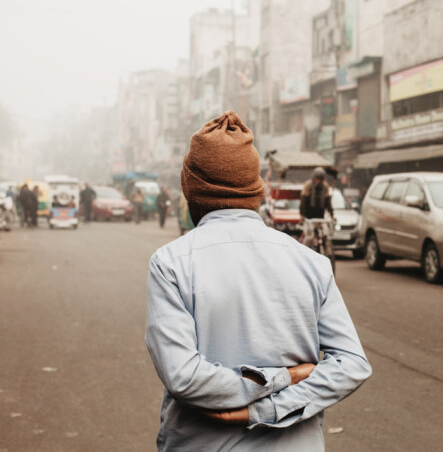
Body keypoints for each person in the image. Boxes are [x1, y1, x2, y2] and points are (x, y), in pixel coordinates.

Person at [145, 111, 370, 451]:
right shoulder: (312, 263)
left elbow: (185, 377)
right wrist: (285, 381)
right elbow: (351, 364)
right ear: (256, 189)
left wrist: (255, 407)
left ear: (191, 187)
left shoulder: (172, 264)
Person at [300, 167, 335, 248]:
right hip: (309, 217)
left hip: (320, 217)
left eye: (320, 179)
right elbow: (303, 201)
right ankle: (304, 251)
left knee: (326, 235)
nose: (318, 181)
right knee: (309, 237)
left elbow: (328, 202)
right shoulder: (308, 185)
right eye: (317, 178)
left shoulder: (325, 186)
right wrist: (302, 215)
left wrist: (332, 214)